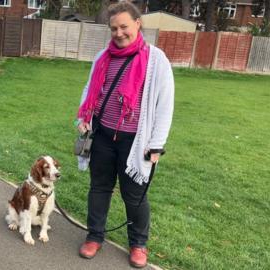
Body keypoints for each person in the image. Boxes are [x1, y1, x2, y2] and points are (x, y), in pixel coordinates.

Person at [75, 2, 174, 268]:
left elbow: (165, 105)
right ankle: (95, 236)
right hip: (104, 136)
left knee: (134, 195)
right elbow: (90, 89)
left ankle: (138, 244)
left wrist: (156, 145)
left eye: (124, 27)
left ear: (138, 24)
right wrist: (83, 118)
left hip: (136, 142)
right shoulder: (102, 57)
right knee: (99, 188)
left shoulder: (156, 60)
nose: (119, 33)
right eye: (114, 28)